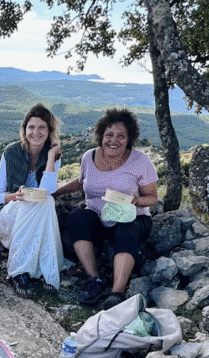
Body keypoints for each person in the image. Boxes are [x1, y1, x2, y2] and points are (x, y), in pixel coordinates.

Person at [52, 108, 159, 308]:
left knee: (127, 229)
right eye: (109, 135)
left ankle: (116, 293)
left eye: (121, 136)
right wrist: (55, 192)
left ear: (129, 139)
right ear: (101, 136)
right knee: (76, 217)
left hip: (131, 217)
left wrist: (135, 201)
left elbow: (152, 198)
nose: (113, 140)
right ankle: (95, 280)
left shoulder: (140, 161)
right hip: (98, 217)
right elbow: (81, 182)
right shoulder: (88, 157)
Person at [0, 103, 64, 298]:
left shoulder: (53, 154)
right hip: (7, 218)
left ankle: (30, 271)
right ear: (25, 129)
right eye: (31, 127)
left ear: (49, 131)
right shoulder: (11, 152)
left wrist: (50, 157)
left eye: (42, 127)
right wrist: (15, 196)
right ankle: (22, 271)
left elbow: (48, 190)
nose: (36, 132)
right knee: (32, 202)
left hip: (33, 217)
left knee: (46, 201)